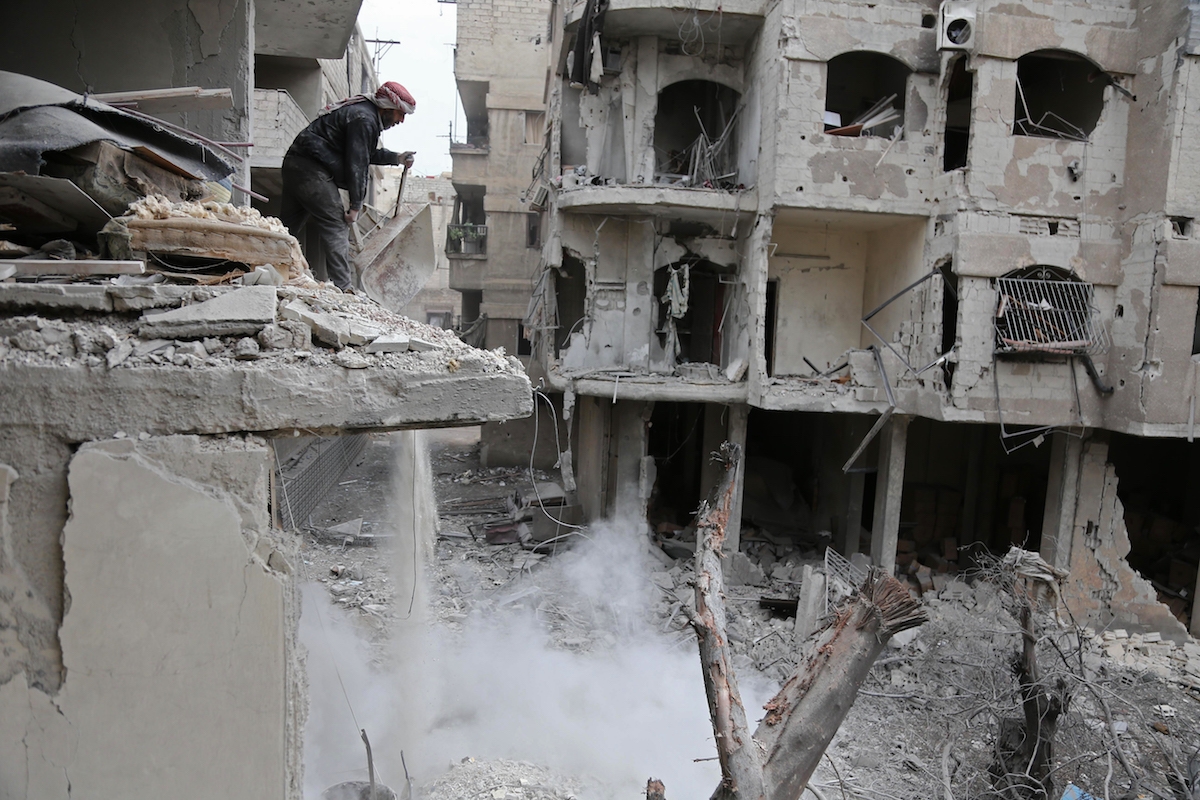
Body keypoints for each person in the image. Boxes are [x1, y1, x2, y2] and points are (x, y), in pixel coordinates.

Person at [281, 81, 417, 291]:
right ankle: (343, 288)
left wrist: (396, 158)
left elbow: (364, 153)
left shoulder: (363, 114)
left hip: (295, 164)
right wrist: (355, 206)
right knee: (336, 223)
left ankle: (266, 270)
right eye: (401, 114)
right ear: (388, 108)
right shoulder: (364, 119)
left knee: (284, 230)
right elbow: (358, 163)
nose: (401, 120)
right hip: (311, 170)